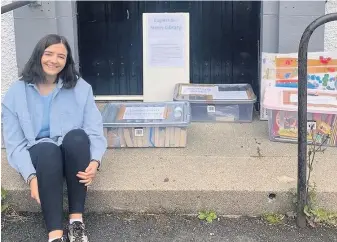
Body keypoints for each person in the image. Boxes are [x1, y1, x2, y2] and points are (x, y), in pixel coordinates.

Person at [1, 34, 107, 242]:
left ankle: (76, 222)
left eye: (61, 56)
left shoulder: (81, 88)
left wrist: (95, 160)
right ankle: (55, 234)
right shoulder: (16, 93)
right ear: (38, 55)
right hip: (41, 153)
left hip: (71, 151)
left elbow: (94, 130)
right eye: (48, 53)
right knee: (48, 149)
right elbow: (14, 144)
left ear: (67, 61)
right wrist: (31, 176)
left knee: (77, 137)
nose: (54, 60)